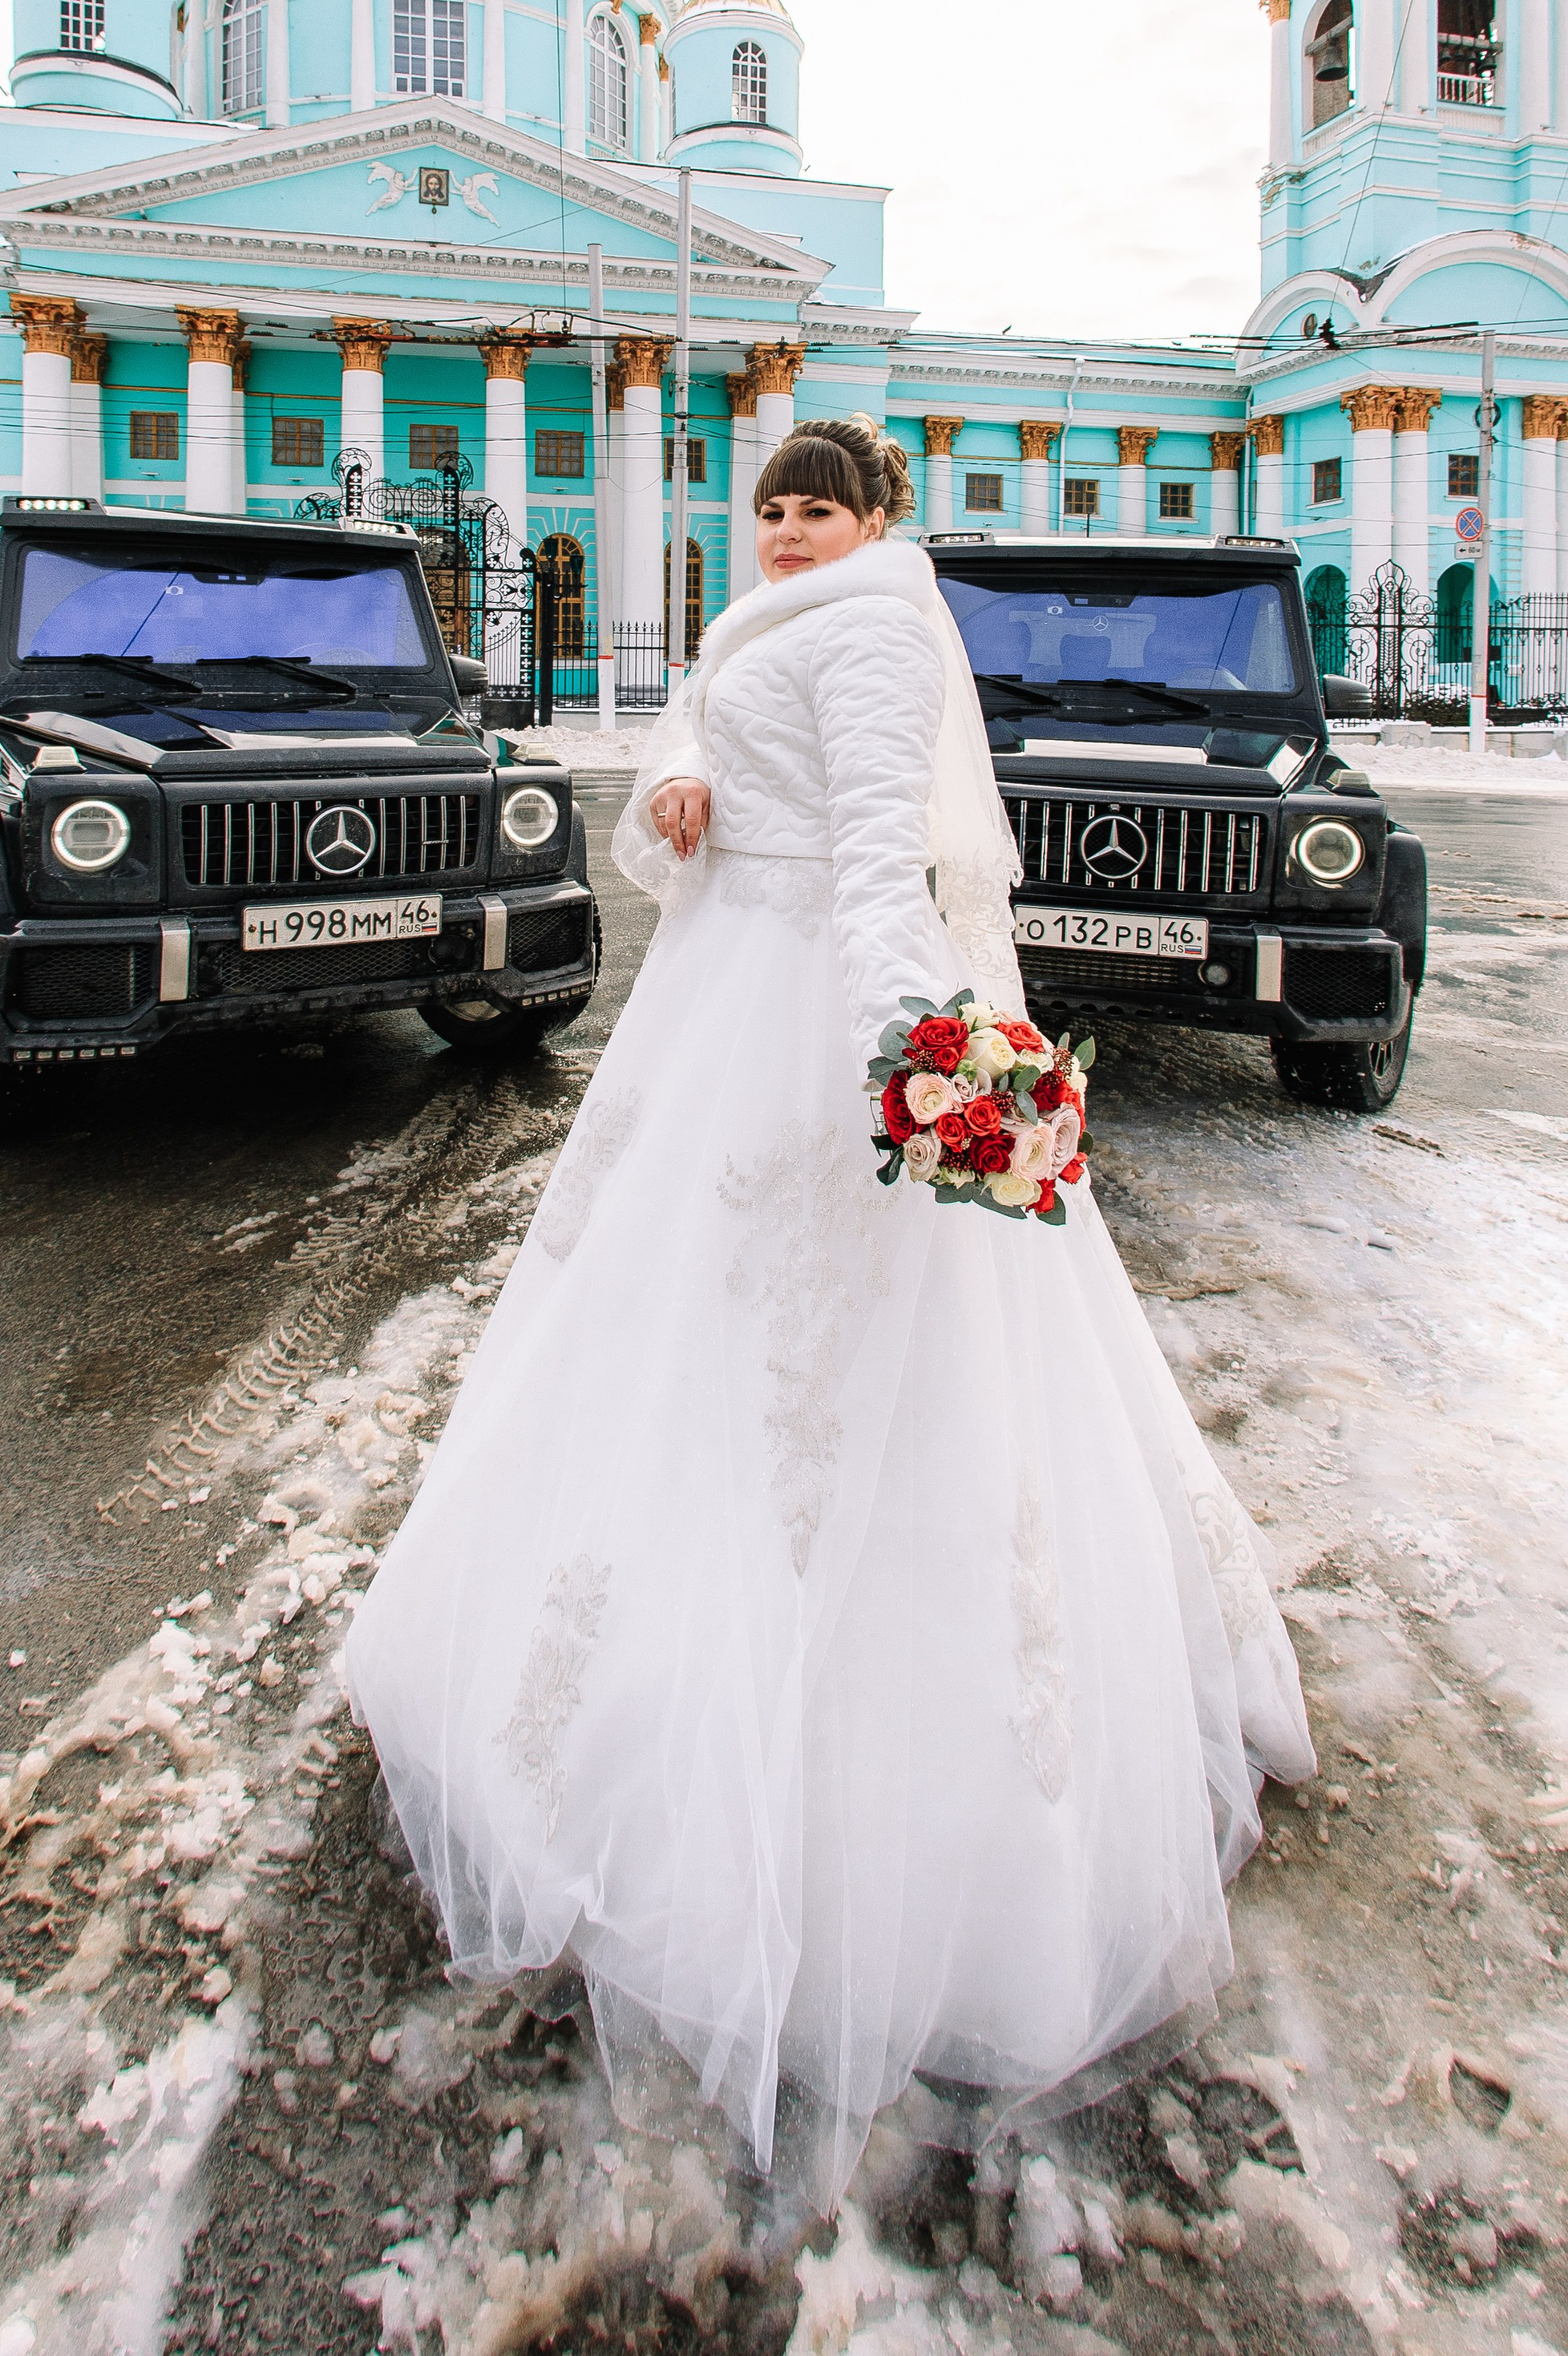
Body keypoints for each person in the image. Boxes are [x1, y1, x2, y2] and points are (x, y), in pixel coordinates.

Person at [345, 415, 1313, 2206]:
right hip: (726, 1007)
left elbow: (887, 864)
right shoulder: (756, 624)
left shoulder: (869, 625)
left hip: (820, 1022)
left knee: (845, 1383)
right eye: (771, 504)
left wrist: (919, 1052)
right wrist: (680, 778)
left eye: (818, 505)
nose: (786, 528)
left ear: (879, 519)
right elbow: (686, 747)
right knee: (678, 1353)